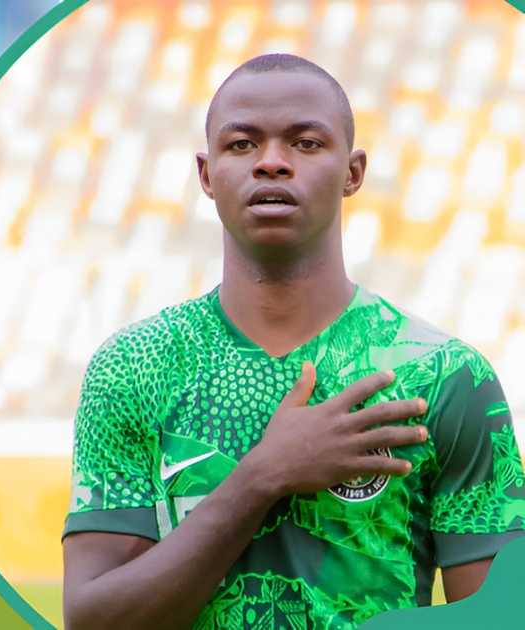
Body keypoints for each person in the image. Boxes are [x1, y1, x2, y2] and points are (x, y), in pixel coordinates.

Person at [62, 53, 525, 629]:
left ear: (353, 172)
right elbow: (93, 619)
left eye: (306, 143)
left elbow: (499, 615)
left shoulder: (446, 376)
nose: (272, 163)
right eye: (242, 145)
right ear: (206, 175)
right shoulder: (134, 367)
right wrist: (263, 476)